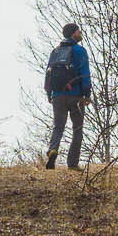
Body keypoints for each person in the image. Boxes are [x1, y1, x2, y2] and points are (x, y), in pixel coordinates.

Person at [43, 22, 92, 170]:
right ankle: (72, 163)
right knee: (77, 128)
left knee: (58, 127)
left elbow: (48, 73)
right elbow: (85, 73)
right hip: (76, 95)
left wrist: (49, 93)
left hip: (57, 95)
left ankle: (53, 150)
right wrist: (86, 94)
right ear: (73, 34)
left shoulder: (55, 51)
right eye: (78, 31)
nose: (80, 33)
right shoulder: (79, 50)